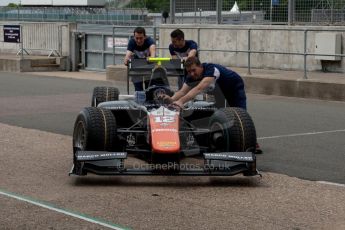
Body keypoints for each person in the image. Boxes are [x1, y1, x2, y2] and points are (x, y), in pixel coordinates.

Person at [161, 56, 262, 154]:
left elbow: (199, 88)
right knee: (220, 115)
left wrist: (181, 101)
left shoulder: (211, 69)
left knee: (241, 114)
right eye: (189, 71)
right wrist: (172, 99)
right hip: (219, 92)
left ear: (200, 66)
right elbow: (182, 91)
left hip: (234, 87)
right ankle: (225, 140)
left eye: (193, 70)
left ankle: (252, 143)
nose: (192, 74)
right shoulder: (191, 76)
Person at [124, 27, 156, 91]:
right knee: (138, 88)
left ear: (145, 37)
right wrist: (126, 59)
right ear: (134, 37)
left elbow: (153, 52)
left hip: (148, 66)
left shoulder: (150, 41)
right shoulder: (132, 42)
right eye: (137, 38)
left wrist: (152, 57)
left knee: (149, 88)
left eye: (141, 38)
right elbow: (127, 54)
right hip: (137, 67)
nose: (139, 40)